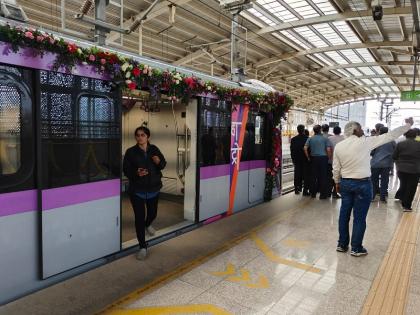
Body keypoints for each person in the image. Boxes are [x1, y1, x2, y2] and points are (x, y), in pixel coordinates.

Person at [333, 118, 413, 257]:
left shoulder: (339, 146)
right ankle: (356, 248)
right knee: (359, 217)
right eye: (361, 129)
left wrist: (337, 182)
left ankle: (342, 244)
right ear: (355, 130)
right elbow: (390, 135)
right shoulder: (366, 142)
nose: (363, 131)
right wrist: (408, 125)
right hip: (362, 184)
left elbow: (336, 168)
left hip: (345, 183)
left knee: (344, 214)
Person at [123, 126, 167, 260]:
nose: (139, 137)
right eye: (137, 135)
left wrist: (159, 162)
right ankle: (142, 246)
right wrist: (136, 173)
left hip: (153, 189)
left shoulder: (154, 149)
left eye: (142, 135)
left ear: (148, 136)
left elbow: (163, 164)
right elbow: (126, 170)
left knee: (153, 214)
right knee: (139, 219)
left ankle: (148, 224)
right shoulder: (130, 152)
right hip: (137, 191)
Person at [393, 129, 420, 211]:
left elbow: (394, 156)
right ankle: (406, 206)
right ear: (415, 136)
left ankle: (402, 198)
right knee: (411, 187)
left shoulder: (400, 144)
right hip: (415, 169)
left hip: (401, 169)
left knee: (404, 184)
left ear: (405, 135)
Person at [304, 125, 332, 199]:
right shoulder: (325, 138)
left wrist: (308, 157)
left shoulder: (310, 138)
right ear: (320, 130)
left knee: (313, 176)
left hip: (313, 159)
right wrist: (329, 158)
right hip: (323, 159)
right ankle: (323, 195)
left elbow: (305, 148)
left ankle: (313, 193)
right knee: (323, 177)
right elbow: (328, 150)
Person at [370, 127, 396, 202]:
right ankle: (382, 197)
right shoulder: (391, 140)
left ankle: (372, 196)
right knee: (385, 180)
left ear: (380, 131)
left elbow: (371, 152)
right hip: (387, 164)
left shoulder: (376, 140)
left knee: (373, 180)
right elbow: (395, 150)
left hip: (375, 164)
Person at [290, 124, 310, 195]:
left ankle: (296, 189)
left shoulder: (293, 139)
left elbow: (292, 151)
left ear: (297, 130)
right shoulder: (308, 138)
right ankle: (305, 191)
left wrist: (293, 160)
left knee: (297, 175)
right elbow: (309, 150)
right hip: (305, 160)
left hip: (297, 160)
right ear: (303, 130)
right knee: (306, 175)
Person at [328, 126, 345, 198]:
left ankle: (329, 192)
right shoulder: (343, 138)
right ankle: (335, 192)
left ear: (333, 131)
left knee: (330, 177)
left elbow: (328, 149)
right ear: (340, 131)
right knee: (338, 176)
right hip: (341, 161)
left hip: (331, 160)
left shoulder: (329, 139)